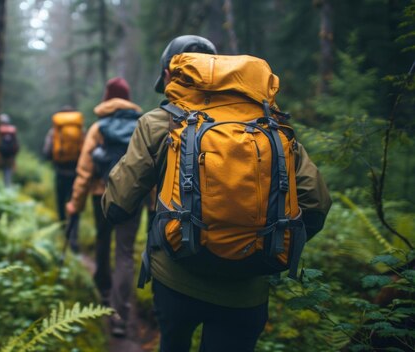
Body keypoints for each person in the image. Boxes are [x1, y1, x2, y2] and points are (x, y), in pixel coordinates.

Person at [101, 35, 332, 351]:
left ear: (170, 74)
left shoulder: (159, 122)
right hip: (246, 293)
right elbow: (316, 202)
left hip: (175, 279)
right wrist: (265, 242)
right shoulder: (270, 123)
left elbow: (117, 204)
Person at [65, 77, 143, 338]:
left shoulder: (99, 128)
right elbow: (150, 167)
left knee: (102, 240)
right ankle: (121, 315)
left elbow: (85, 171)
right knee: (124, 252)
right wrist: (154, 203)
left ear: (107, 97)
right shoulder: (140, 126)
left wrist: (75, 204)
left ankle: (104, 292)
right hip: (133, 197)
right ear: (128, 97)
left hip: (102, 195)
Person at [43, 105, 85, 252]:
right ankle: (73, 237)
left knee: (61, 203)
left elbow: (47, 152)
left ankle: (62, 232)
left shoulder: (54, 131)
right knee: (74, 203)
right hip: (76, 173)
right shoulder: (80, 130)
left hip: (60, 172)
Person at [0, 113, 19, 188]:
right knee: (7, 172)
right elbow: (16, 145)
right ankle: (7, 188)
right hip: (10, 157)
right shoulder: (12, 130)